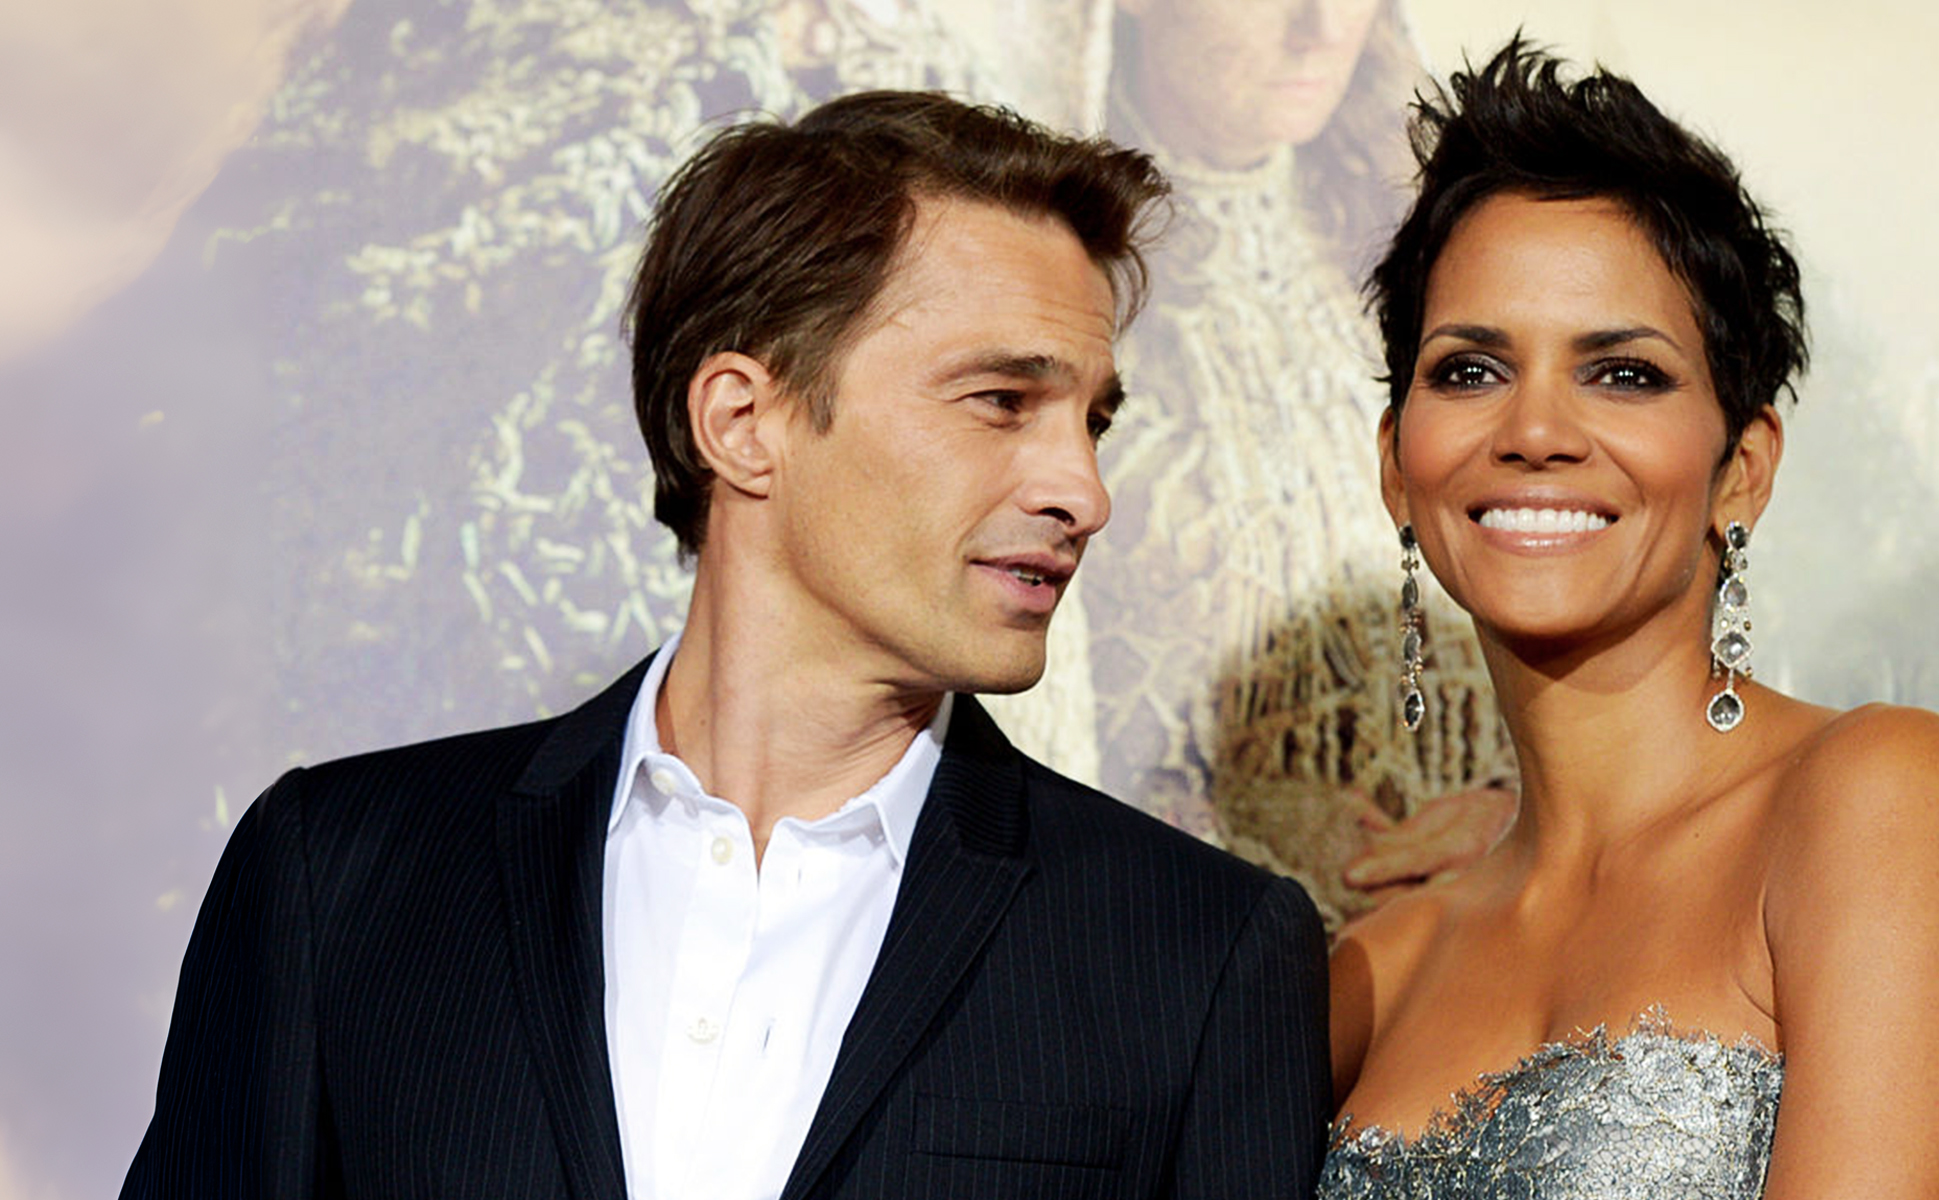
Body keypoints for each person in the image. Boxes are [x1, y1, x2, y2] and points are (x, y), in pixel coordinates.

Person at [121, 90, 1330, 1200]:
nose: (1083, 489)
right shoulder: (338, 876)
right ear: (743, 423)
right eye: (1002, 402)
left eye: (1093, 422)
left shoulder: (1196, 954)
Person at [1318, 42, 1939, 1198]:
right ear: (1398, 467)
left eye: (1625, 375)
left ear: (1741, 469)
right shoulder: (1372, 971)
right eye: (1470, 370)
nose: (1535, 430)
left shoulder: (1876, 794)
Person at [1024, 0, 1518, 922]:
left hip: (1472, 965)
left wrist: (1520, 816)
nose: (1323, 24)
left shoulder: (1433, 263)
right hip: (1161, 967)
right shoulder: (1040, 290)